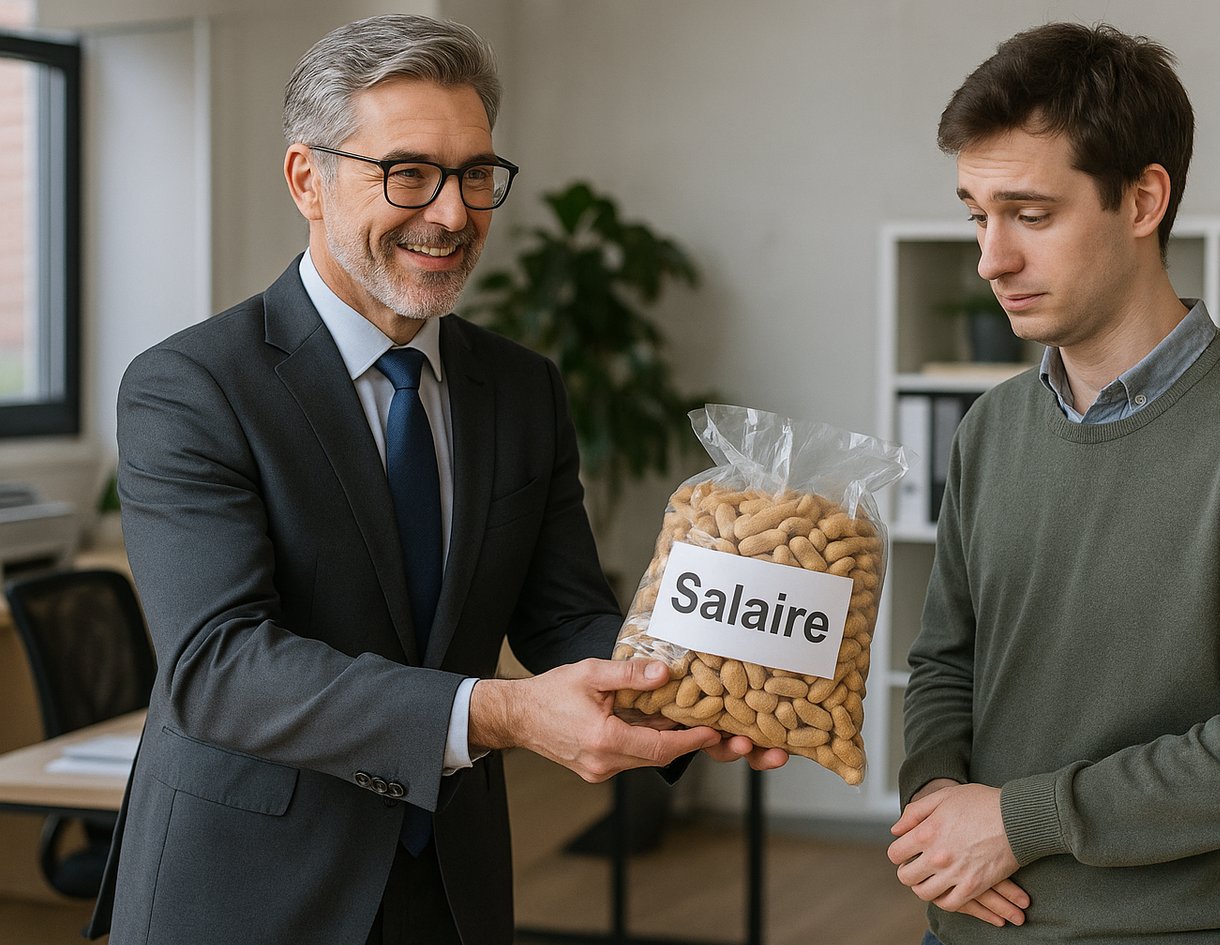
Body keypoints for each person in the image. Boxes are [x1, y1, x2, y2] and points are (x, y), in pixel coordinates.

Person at [89, 14, 784, 945]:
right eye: (409, 173)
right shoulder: (191, 386)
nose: (454, 214)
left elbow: (564, 616)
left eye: (475, 174)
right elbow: (220, 667)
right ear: (307, 179)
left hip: (451, 885)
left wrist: (708, 682)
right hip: (247, 889)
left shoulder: (523, 387)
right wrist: (498, 712)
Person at [889, 22, 1220, 943]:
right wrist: (939, 805)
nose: (991, 258)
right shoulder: (990, 428)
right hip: (965, 925)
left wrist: (1016, 821)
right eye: (976, 215)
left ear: (1144, 199)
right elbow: (947, 661)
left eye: (1030, 215)